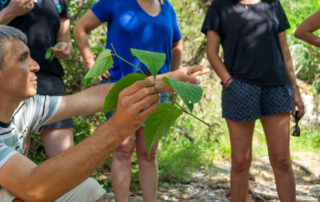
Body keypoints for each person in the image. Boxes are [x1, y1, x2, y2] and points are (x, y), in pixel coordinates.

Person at [0, 25, 208, 202]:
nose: (35, 66)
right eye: (22, 60)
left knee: (88, 190)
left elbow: (88, 99)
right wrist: (118, 128)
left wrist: (164, 81)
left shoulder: (26, 107)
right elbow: (34, 187)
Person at [74, 0, 182, 201]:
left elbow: (177, 43)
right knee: (123, 150)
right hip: (122, 88)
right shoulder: (115, 2)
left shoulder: (167, 8)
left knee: (148, 153)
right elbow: (80, 28)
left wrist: (173, 79)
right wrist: (92, 61)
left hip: (158, 89)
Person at [201, 0, 305, 201]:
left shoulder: (272, 4)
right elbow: (211, 52)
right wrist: (228, 81)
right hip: (240, 87)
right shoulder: (220, 6)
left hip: (277, 87)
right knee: (240, 162)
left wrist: (296, 90)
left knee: (282, 160)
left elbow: (284, 51)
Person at [0, 0, 74, 158]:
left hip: (49, 76)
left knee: (63, 155)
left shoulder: (59, 2)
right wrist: (10, 11)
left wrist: (65, 47)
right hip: (11, 78)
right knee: (16, 151)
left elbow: (65, 40)